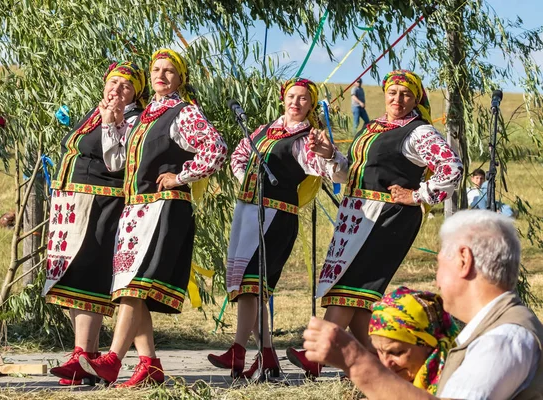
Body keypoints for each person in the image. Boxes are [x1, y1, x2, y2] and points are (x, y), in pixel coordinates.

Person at [286, 69, 463, 378]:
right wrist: (329, 155)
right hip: (357, 215)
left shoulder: (418, 132)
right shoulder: (373, 127)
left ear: (416, 98)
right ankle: (375, 366)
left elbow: (451, 167)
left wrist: (419, 195)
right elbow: (350, 173)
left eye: (406, 94)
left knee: (350, 285)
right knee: (361, 295)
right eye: (393, 92)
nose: (398, 99)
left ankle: (318, 353)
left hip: (388, 217)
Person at [79, 49, 228, 387]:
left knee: (134, 286)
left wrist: (182, 175)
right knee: (130, 288)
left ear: (180, 79)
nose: (161, 75)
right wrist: (110, 125)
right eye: (156, 70)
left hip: (163, 205)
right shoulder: (145, 115)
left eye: (169, 71)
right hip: (136, 209)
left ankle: (113, 359)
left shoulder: (183, 112)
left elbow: (216, 148)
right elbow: (116, 163)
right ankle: (149, 364)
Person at [303, 210, 543, 399]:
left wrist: (355, 361)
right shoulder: (497, 332)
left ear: (463, 260)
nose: (437, 280)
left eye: (439, 265)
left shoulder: (503, 338)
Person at [207, 78, 347, 378]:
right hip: (248, 211)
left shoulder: (306, 140)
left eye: (303, 99)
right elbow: (239, 154)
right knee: (249, 287)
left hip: (277, 216)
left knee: (252, 285)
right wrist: (247, 177)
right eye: (291, 97)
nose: (295, 102)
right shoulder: (265, 130)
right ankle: (267, 355)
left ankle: (238, 350)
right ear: (283, 99)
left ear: (311, 105)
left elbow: (336, 173)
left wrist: (328, 153)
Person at [44, 61, 148, 386]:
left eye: (126, 86)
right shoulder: (96, 110)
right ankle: (85, 358)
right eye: (113, 83)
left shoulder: (134, 120)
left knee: (88, 277)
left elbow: (115, 161)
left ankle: (81, 355)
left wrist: (109, 124)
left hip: (102, 203)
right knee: (73, 276)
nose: (117, 90)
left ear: (135, 94)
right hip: (75, 204)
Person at [369, 286, 459, 394]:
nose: (385, 364)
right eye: (379, 351)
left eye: (396, 352)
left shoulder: (459, 388)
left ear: (429, 344)